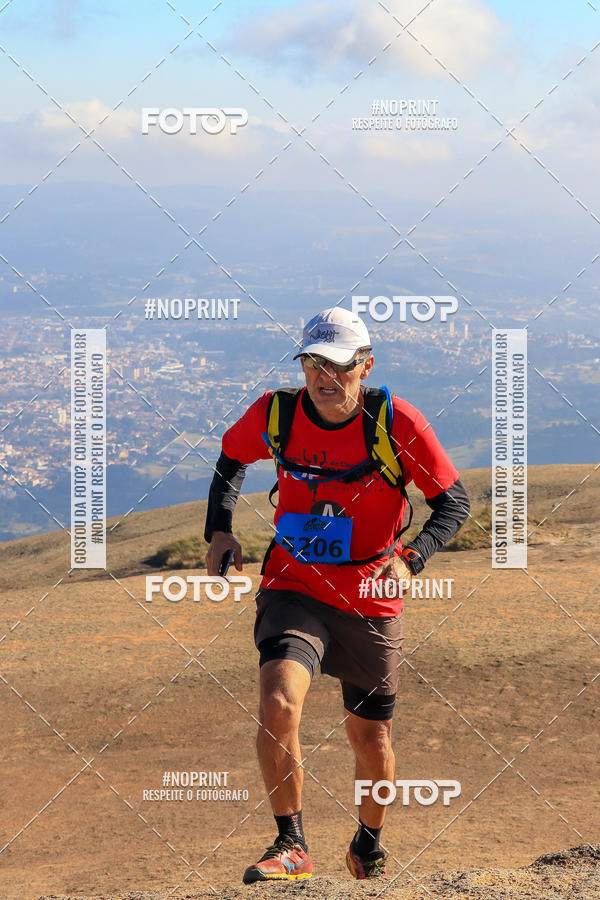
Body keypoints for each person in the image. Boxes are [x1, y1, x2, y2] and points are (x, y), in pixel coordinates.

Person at [204, 307, 469, 883]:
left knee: (371, 738)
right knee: (278, 704)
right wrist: (219, 528)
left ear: (365, 366)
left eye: (340, 366)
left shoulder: (396, 422)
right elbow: (230, 458)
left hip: (370, 595)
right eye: (313, 363)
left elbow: (454, 503)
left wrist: (412, 557)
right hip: (293, 584)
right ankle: (290, 843)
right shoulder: (276, 413)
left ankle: (369, 841)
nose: (325, 377)